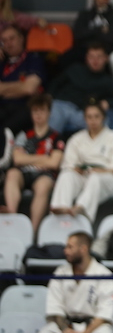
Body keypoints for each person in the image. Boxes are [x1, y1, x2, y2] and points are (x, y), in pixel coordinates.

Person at [36, 232, 113, 333]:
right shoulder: (60, 273)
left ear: (83, 249)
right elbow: (55, 307)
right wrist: (65, 330)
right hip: (66, 324)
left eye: (70, 247)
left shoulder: (103, 274)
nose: (65, 251)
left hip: (94, 327)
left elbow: (105, 313)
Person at [49, 103, 113, 222]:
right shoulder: (77, 138)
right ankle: (61, 208)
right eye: (89, 117)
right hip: (84, 175)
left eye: (96, 116)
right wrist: (77, 169)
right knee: (66, 175)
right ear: (85, 119)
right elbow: (68, 164)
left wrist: (101, 171)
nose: (93, 120)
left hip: (108, 178)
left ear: (103, 118)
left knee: (95, 177)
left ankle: (81, 208)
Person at [3, 94, 64, 233]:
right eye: (35, 111)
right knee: (12, 173)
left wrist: (29, 158)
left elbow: (54, 163)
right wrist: (44, 158)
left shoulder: (56, 137)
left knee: (43, 185)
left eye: (42, 110)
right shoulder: (24, 135)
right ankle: (11, 217)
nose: (38, 114)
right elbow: (17, 160)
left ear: (49, 112)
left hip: (44, 175)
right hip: (24, 173)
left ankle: (33, 231)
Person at [48, 43, 113, 138]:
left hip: (81, 114)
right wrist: (49, 96)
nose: (95, 60)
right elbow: (56, 83)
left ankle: (102, 146)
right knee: (55, 114)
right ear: (87, 58)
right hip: (62, 106)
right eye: (92, 57)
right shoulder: (75, 69)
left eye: (99, 57)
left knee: (104, 121)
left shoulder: (106, 81)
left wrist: (108, 103)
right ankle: (48, 145)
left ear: (106, 58)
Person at [0, 24, 46, 135]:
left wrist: (3, 90)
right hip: (2, 107)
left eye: (12, 38)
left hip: (25, 107)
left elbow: (29, 88)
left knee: (4, 131)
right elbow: (24, 87)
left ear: (21, 39)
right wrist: (20, 86)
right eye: (4, 41)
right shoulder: (2, 62)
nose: (8, 44)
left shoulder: (33, 58)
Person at [63, 0, 113, 67]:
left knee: (111, 58)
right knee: (67, 57)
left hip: (105, 51)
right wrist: (99, 30)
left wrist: (90, 32)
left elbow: (112, 39)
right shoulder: (84, 14)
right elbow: (78, 35)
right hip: (85, 49)